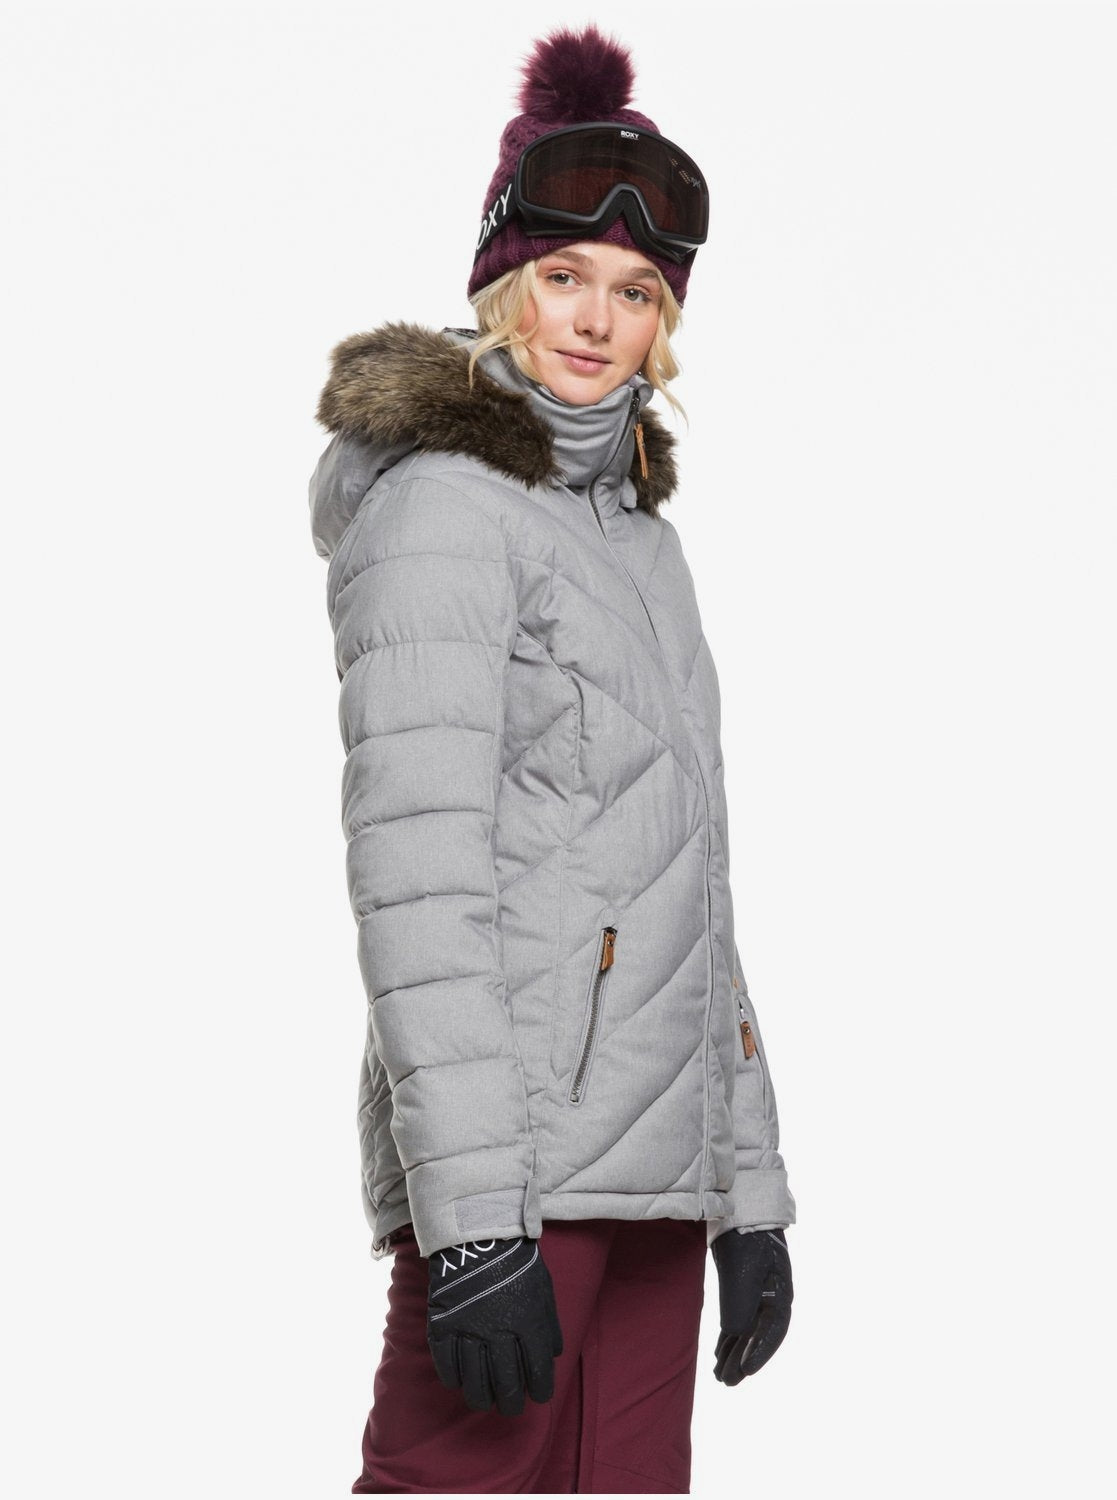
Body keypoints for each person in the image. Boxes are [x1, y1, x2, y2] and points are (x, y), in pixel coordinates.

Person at [308, 23, 797, 1495]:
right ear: (504, 284)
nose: (594, 320)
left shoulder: (641, 545)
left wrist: (748, 1194)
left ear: (665, 324)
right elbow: (418, 879)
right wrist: (469, 1220)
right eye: (565, 277)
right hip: (514, 1170)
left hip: (661, 1172)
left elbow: (688, 887)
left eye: (635, 293)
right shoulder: (442, 512)